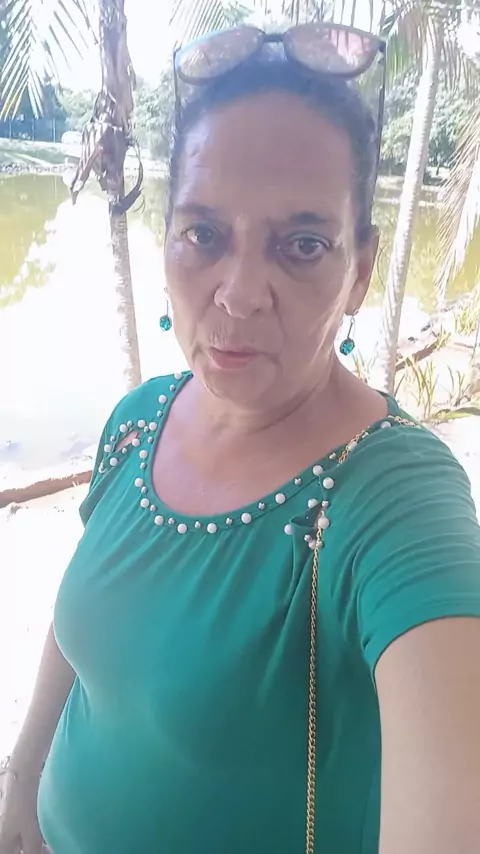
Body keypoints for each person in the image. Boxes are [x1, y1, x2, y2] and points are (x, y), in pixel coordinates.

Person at [1, 23, 480, 854]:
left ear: (360, 270)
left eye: (303, 245)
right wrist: (21, 783)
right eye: (205, 234)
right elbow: (77, 631)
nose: (239, 293)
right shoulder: (139, 421)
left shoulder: (394, 497)